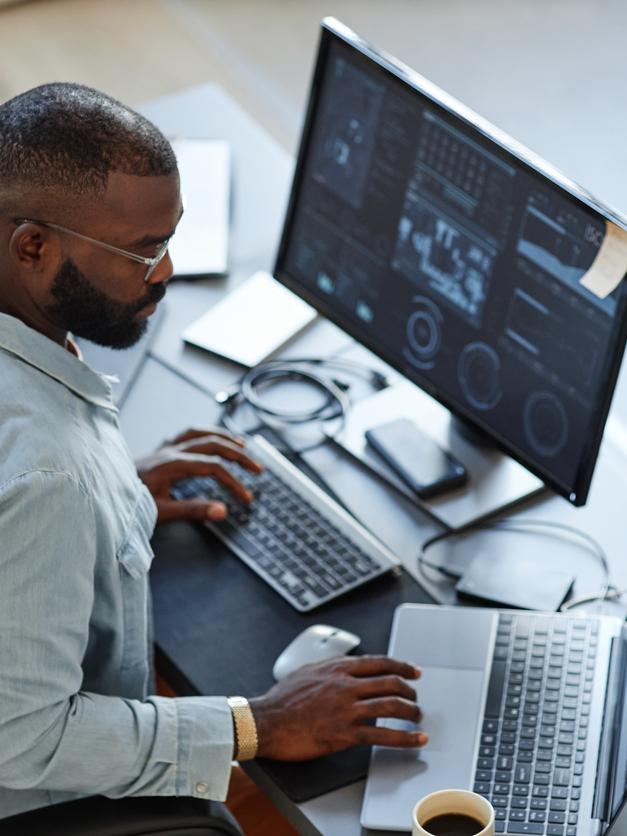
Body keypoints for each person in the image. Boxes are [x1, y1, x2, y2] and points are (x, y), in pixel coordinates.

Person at [0, 82, 428, 823]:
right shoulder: (47, 476)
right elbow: (22, 738)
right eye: (142, 252)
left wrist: (115, 499)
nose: (164, 271)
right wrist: (254, 723)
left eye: (170, 239)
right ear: (33, 247)